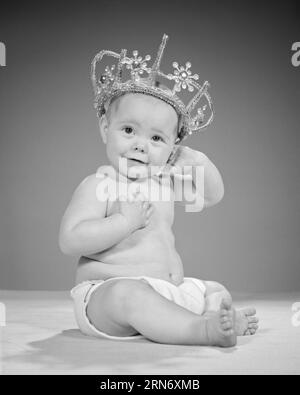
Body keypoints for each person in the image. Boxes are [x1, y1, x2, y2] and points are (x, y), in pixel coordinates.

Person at [59, 35, 258, 347]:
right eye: (128, 130)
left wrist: (196, 159)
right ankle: (201, 330)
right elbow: (70, 240)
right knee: (129, 295)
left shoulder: (162, 183)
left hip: (168, 293)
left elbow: (211, 194)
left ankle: (206, 316)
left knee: (213, 289)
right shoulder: (101, 183)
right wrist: (124, 223)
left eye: (156, 139)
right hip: (107, 295)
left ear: (172, 147)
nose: (140, 144)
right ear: (104, 129)